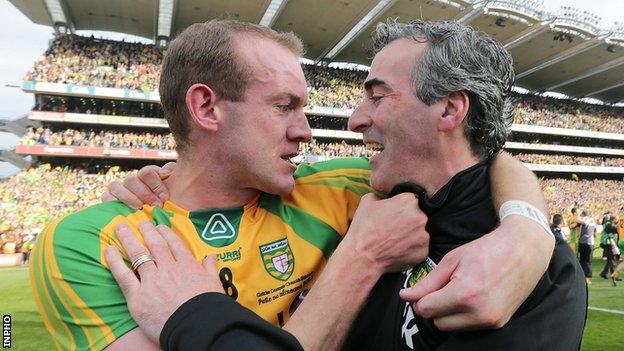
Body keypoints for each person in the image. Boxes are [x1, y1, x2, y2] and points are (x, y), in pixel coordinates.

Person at [104, 20, 585, 350]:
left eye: (377, 96)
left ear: (449, 110)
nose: (355, 120)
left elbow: (488, 161)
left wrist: (193, 316)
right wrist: (182, 174)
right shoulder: (365, 201)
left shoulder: (534, 275)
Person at [599, 214, 620, 286]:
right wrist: (617, 229)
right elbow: (611, 230)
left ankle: (604, 273)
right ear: (614, 219)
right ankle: (613, 276)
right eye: (617, 219)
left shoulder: (608, 223)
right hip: (607, 244)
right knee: (611, 260)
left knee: (610, 259)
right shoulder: (608, 224)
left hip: (608, 243)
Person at [578, 210, 596, 284]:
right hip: (590, 242)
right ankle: (587, 277)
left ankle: (582, 277)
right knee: (588, 260)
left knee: (582, 260)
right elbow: (595, 232)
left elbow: (581, 222)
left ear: (583, 214)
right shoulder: (593, 221)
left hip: (583, 242)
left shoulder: (584, 219)